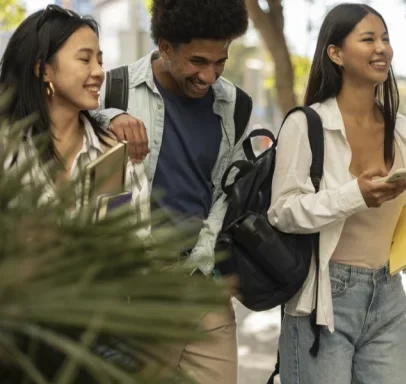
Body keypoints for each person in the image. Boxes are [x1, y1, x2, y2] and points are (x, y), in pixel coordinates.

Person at [267, 4, 406, 383]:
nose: (382, 48)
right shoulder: (306, 125)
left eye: (385, 38)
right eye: (368, 39)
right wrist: (356, 195)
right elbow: (282, 212)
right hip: (323, 300)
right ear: (335, 54)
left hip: (387, 296)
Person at [93, 0, 250, 382]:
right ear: (165, 46)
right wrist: (109, 117)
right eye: (198, 61)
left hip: (205, 288)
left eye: (220, 62)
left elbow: (231, 193)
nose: (209, 76)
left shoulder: (234, 106)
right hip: (136, 295)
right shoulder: (114, 91)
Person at [0, 5, 148, 382]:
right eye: (84, 59)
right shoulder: (6, 151)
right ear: (42, 68)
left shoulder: (117, 153)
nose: (99, 71)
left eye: (99, 59)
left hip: (103, 341)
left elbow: (138, 245)